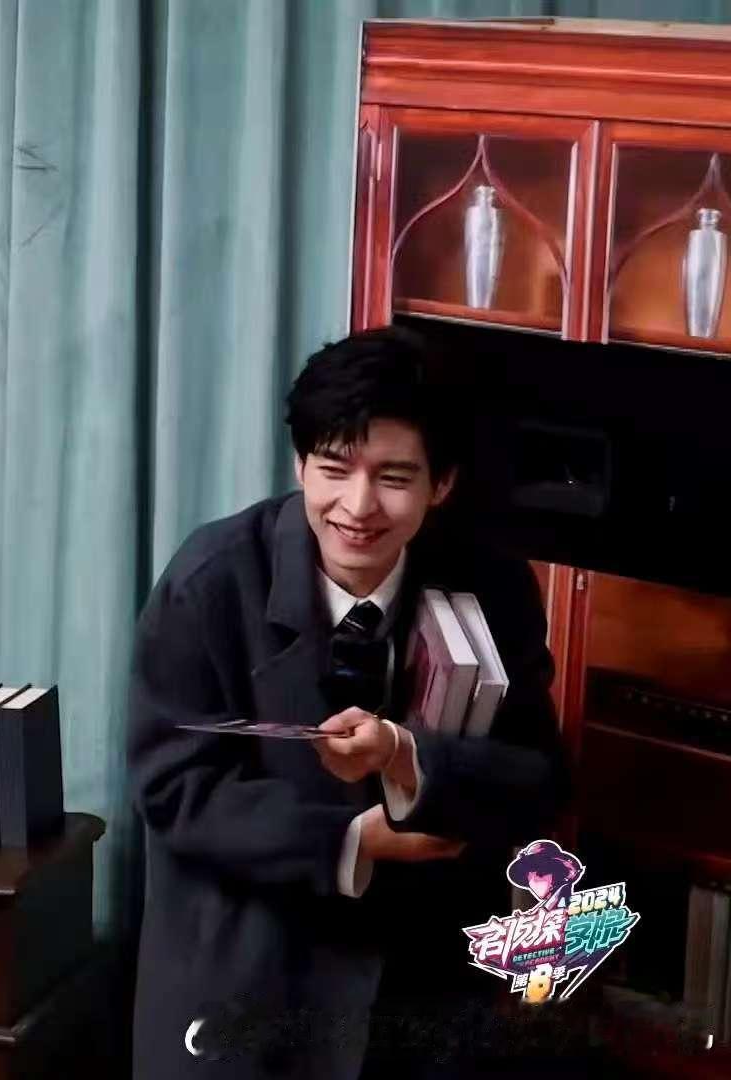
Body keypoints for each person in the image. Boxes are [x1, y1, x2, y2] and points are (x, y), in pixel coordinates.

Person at [126, 327, 575, 1079]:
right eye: (333, 469)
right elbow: (171, 785)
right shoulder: (210, 582)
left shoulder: (493, 585)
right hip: (242, 982)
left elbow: (539, 779)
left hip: (417, 991)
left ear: (442, 483)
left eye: (395, 477)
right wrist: (348, 841)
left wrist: (411, 758)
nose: (358, 506)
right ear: (300, 464)